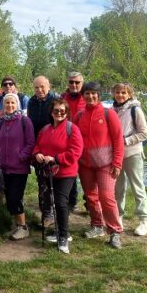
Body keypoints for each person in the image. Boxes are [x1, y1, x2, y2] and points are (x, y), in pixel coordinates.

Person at [73, 82, 124, 249]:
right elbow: (74, 139)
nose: (90, 96)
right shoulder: (79, 116)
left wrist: (117, 162)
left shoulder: (109, 114)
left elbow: (118, 140)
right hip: (85, 164)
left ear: (99, 95)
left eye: (93, 93)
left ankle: (115, 231)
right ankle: (96, 225)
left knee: (107, 197)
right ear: (83, 96)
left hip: (106, 164)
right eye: (87, 93)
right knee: (91, 196)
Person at [32, 98, 83, 254]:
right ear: (51, 112)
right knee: (51, 201)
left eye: (62, 111)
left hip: (65, 172)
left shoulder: (72, 129)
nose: (59, 113)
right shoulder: (45, 129)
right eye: (56, 111)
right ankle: (61, 231)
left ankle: (63, 236)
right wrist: (38, 154)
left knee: (61, 203)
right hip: (48, 172)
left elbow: (75, 151)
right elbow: (37, 146)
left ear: (66, 112)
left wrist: (56, 159)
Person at [112, 83, 147, 236]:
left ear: (129, 94)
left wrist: (126, 141)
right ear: (113, 94)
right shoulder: (112, 110)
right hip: (116, 155)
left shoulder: (136, 110)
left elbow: (144, 133)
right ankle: (119, 216)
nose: (120, 95)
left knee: (137, 186)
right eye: (117, 92)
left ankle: (143, 220)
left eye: (123, 92)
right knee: (118, 188)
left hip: (133, 153)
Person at [0, 93, 35, 240]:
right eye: (7, 103)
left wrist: (21, 157)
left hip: (19, 168)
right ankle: (16, 225)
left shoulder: (25, 121)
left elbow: (30, 143)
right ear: (4, 105)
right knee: (9, 197)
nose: (10, 106)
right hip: (5, 168)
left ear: (17, 104)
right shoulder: (2, 122)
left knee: (15, 197)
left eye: (13, 103)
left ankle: (23, 227)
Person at [27, 75, 59, 227]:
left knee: (55, 181)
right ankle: (46, 214)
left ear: (49, 86)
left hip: (53, 144)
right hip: (37, 145)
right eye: (36, 87)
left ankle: (57, 212)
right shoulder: (32, 102)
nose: (39, 90)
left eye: (42, 87)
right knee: (42, 181)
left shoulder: (55, 101)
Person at [61, 72, 86, 213]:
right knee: (70, 173)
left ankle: (90, 204)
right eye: (71, 82)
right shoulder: (62, 98)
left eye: (77, 82)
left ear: (82, 83)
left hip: (86, 142)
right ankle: (72, 201)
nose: (74, 85)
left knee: (87, 175)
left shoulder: (88, 97)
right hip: (67, 141)